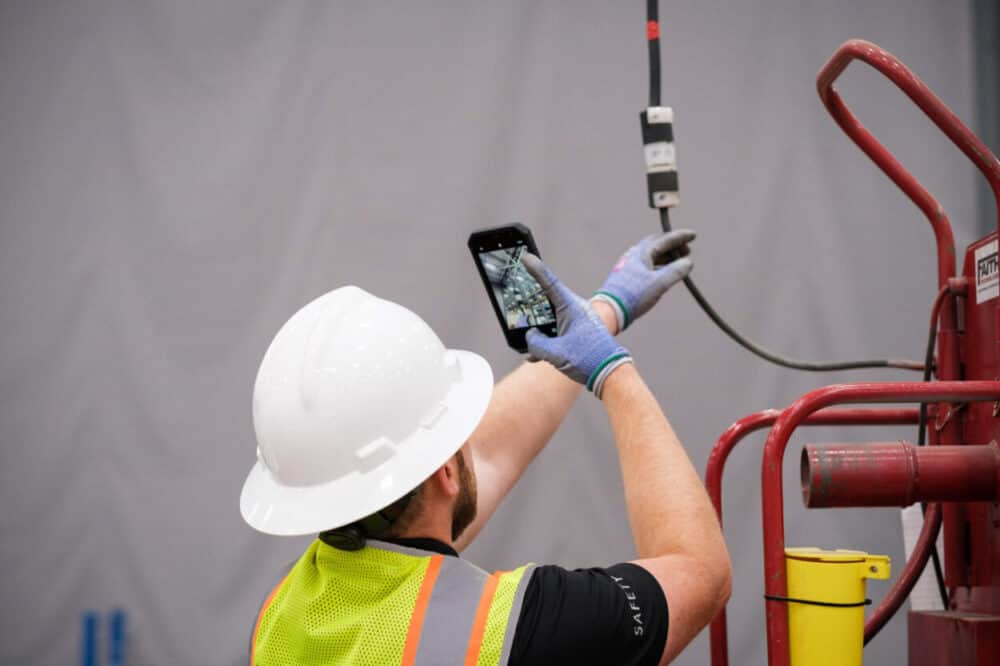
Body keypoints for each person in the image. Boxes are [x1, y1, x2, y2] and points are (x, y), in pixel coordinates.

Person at [241, 230, 731, 665]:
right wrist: (612, 371)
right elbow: (699, 573)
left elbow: (485, 457)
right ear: (446, 475)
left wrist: (605, 310)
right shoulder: (524, 629)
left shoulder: (284, 612)